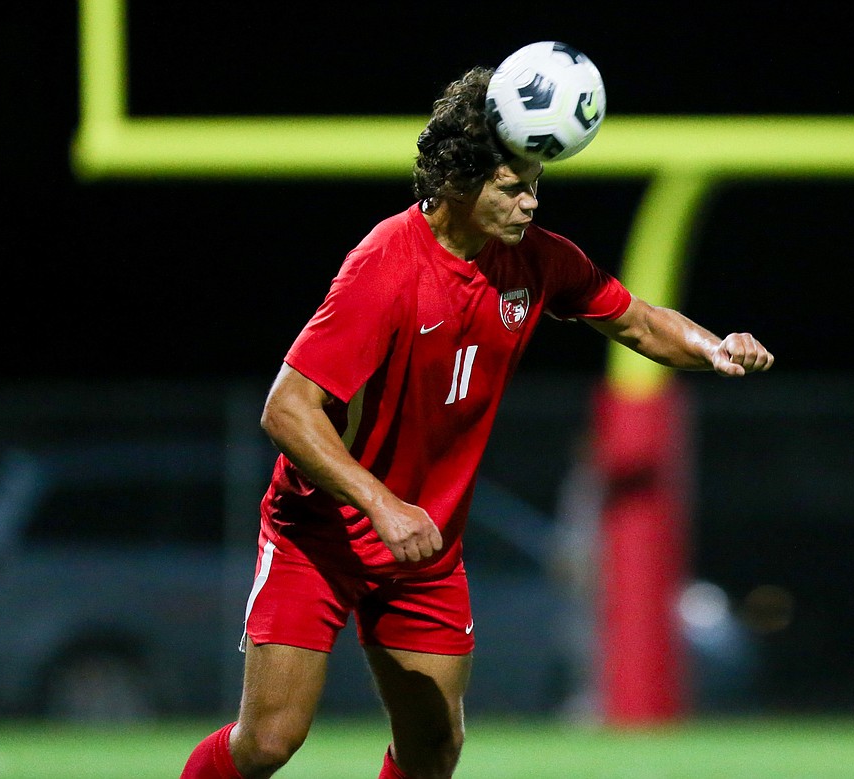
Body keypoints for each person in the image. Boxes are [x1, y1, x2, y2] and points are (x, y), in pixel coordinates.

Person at [180, 64, 773, 779]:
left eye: (536, 184)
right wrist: (381, 503)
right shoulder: (384, 266)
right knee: (269, 740)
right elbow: (286, 408)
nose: (530, 203)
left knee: (434, 749)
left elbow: (640, 322)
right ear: (460, 182)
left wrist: (716, 347)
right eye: (512, 187)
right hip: (324, 531)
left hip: (425, 546)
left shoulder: (538, 261)